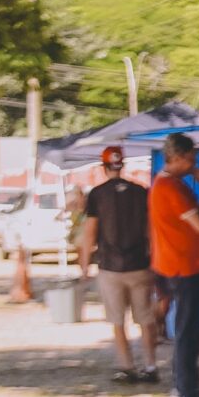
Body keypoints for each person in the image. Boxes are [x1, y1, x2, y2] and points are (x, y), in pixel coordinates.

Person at [78, 145, 159, 384]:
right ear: (121, 165)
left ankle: (126, 366)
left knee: (117, 320)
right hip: (140, 264)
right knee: (145, 319)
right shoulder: (141, 192)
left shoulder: (97, 194)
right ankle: (151, 364)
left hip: (110, 265)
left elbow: (90, 231)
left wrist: (84, 265)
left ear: (104, 168)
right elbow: (150, 229)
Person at [150, 133, 199, 397]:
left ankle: (184, 386)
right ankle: (188, 395)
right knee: (188, 331)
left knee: (187, 327)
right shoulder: (169, 189)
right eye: (190, 159)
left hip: (187, 265)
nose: (194, 164)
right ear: (175, 158)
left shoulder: (175, 185)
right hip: (183, 266)